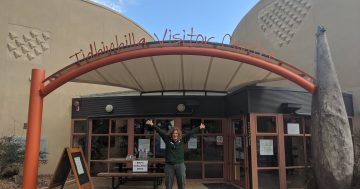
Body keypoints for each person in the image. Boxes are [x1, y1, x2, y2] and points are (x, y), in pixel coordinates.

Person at [146, 119, 205, 189]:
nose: (175, 135)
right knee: (168, 184)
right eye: (174, 133)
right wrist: (152, 124)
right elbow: (160, 131)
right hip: (169, 166)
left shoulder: (182, 140)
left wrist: (199, 127)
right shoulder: (167, 139)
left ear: (178, 134)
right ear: (171, 134)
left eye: (176, 133)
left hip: (180, 165)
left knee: (182, 183)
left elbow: (190, 133)